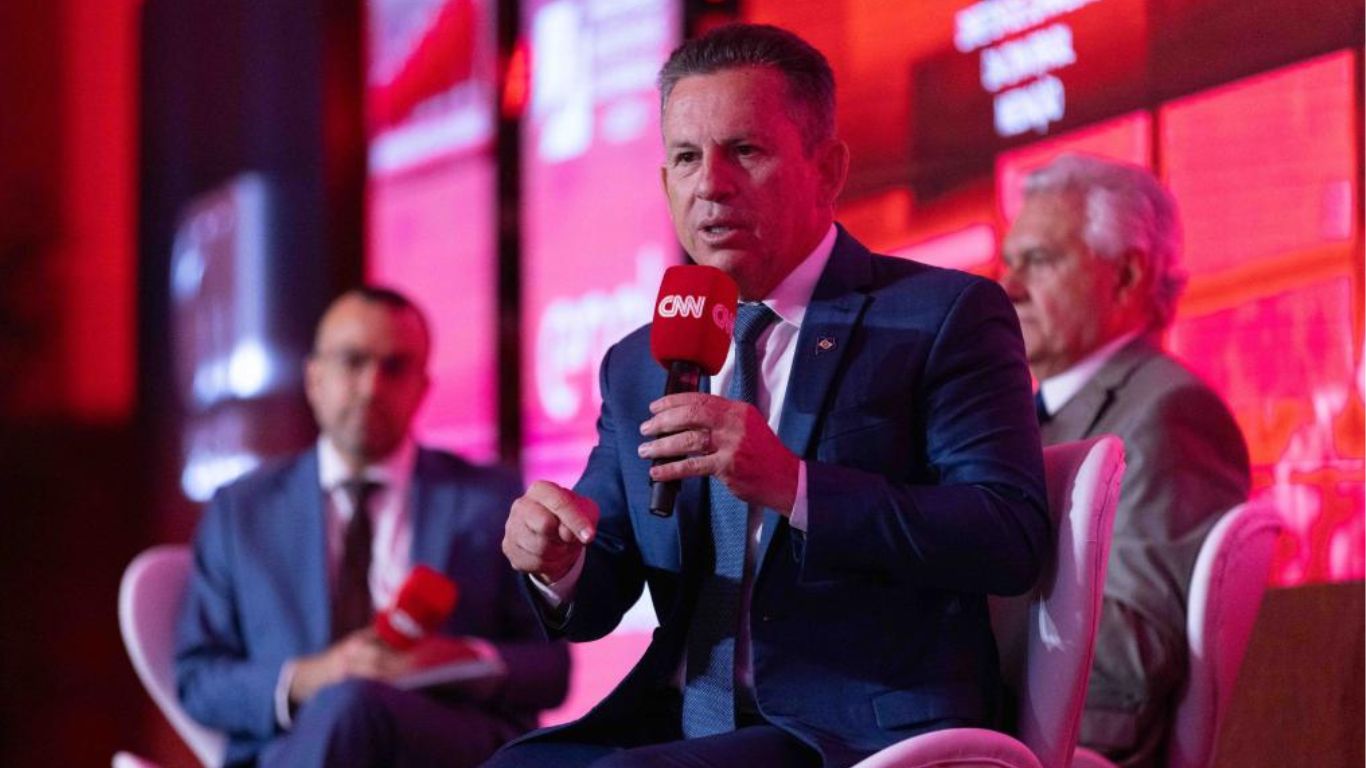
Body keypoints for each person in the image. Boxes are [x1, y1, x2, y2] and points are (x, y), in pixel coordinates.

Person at [491, 23, 1048, 768]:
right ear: (665, 183)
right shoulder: (637, 363)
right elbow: (603, 582)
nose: (710, 184)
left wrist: (795, 485)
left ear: (828, 169)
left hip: (855, 732)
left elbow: (1007, 536)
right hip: (676, 719)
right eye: (686, 158)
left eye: (745, 151)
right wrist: (556, 561)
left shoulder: (941, 316)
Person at [175, 287, 570, 768]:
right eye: (352, 361)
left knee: (360, 706)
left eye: (395, 367)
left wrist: (457, 658)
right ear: (315, 378)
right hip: (297, 745)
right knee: (350, 704)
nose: (371, 387)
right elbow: (198, 680)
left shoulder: (487, 499)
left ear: (422, 387)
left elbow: (552, 670)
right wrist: (315, 676)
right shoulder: (242, 512)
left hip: (440, 742)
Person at [999, 153, 1251, 767]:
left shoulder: (1170, 412)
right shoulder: (1024, 414)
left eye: (1039, 260)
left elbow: (1132, 659)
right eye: (1009, 262)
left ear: (1127, 276)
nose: (1009, 287)